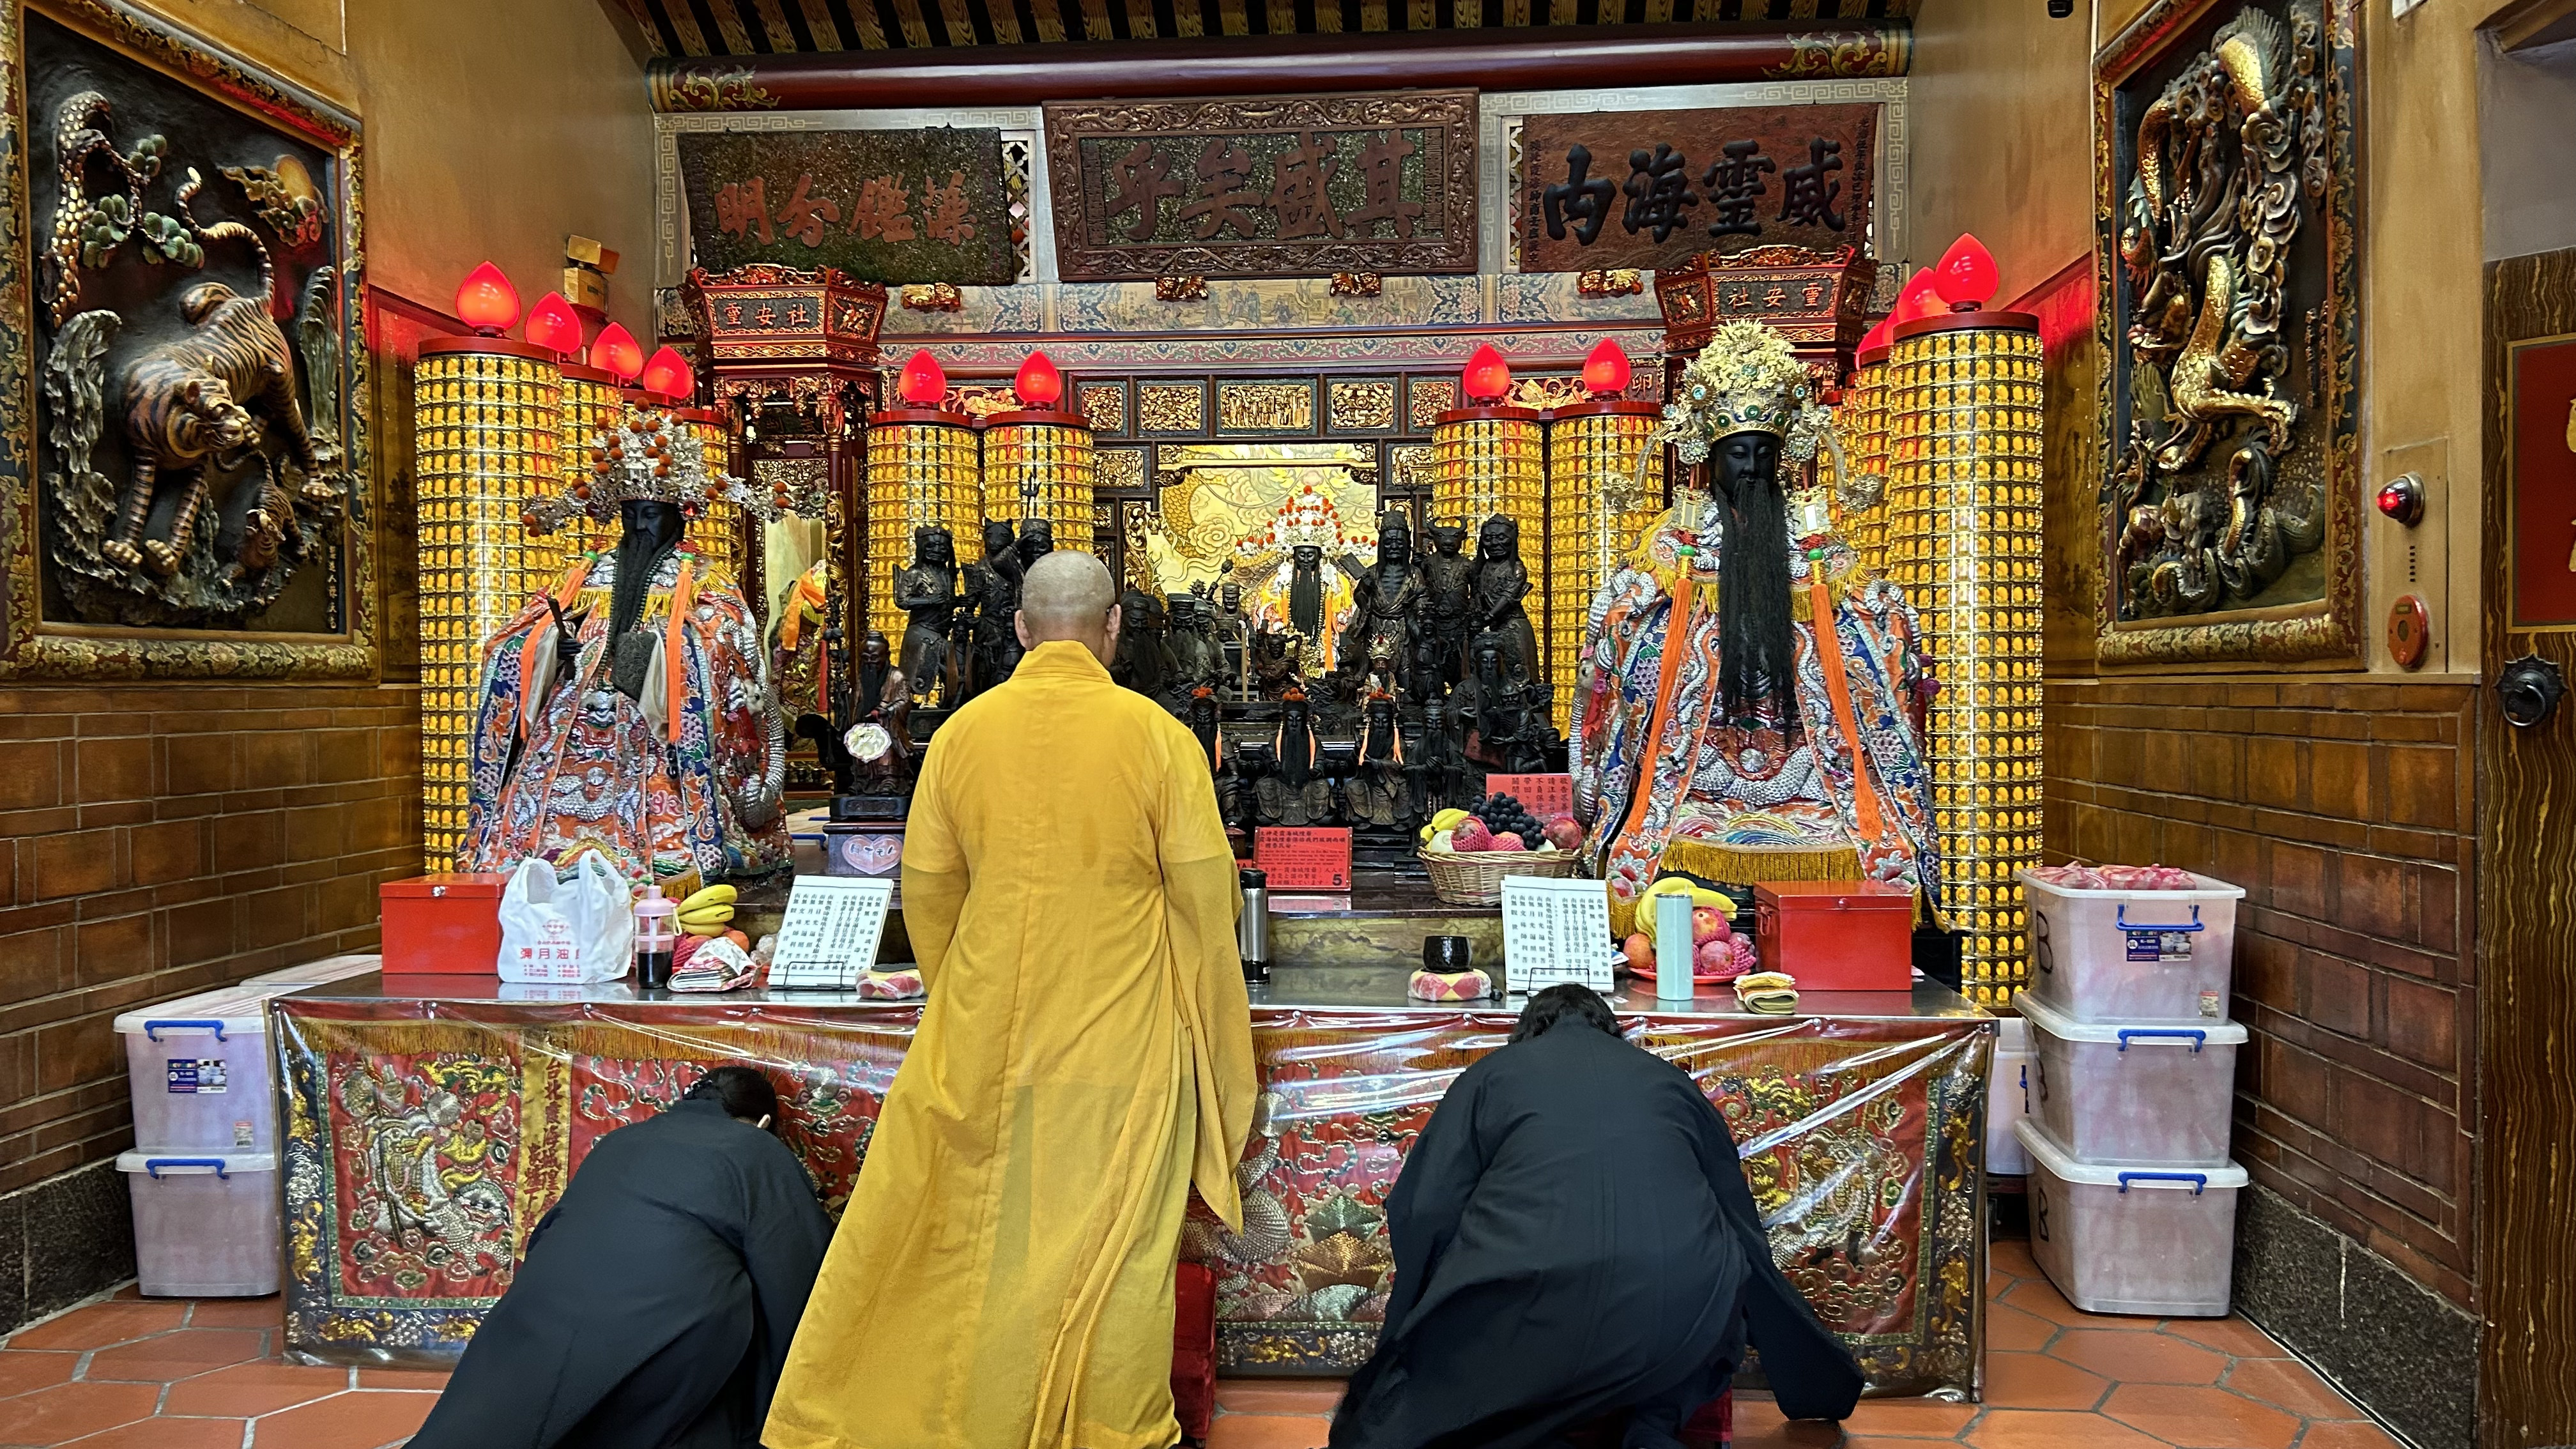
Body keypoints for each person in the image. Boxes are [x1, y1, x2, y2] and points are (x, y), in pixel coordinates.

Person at [766, 549, 1258, 1449]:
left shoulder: (961, 733)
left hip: (986, 1030)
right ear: (1114, 630)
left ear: (1023, 630)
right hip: (1121, 1037)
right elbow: (1205, 895)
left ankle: (948, 1418)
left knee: (968, 1233)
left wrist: (970, 990)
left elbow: (929, 891)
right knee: (1115, 1251)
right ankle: (1107, 1428)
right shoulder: (1157, 738)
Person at [1329, 985, 1863, 1449]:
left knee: (1440, 1404)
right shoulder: (1668, 1079)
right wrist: (1809, 1373)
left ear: (1525, 1034)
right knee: (1708, 1280)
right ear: (1613, 1032)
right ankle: (1653, 1429)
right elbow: (1738, 1221)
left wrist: (1424, 1312)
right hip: (1677, 1308)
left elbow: (1424, 1208)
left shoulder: (1493, 1075)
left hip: (1528, 1301)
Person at [1574, 319, 1937, 939]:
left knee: (1876, 839)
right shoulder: (1675, 556)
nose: (1752, 466)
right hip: (1691, 774)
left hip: (1815, 775)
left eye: (1765, 452)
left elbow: (1875, 640)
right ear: (1709, 456)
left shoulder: (1822, 559)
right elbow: (1619, 655)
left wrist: (1885, 624)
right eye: (1738, 451)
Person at [410, 1065, 831, 1449]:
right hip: (669, 1334)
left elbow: (551, 1230)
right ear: (761, 1124)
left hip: (537, 1314)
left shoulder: (619, 1139)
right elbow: (798, 1277)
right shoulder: (758, 1148)